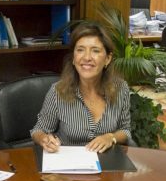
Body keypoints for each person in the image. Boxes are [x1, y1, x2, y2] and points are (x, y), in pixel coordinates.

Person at [31, 21, 131, 153]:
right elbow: (38, 130)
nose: (87, 57)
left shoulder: (120, 88)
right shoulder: (58, 91)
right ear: (73, 57)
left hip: (107, 166)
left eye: (95, 51)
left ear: (107, 58)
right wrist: (44, 139)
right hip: (68, 166)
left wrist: (111, 137)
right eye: (80, 50)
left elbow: (125, 130)